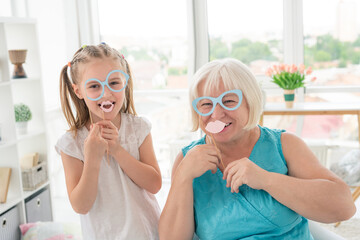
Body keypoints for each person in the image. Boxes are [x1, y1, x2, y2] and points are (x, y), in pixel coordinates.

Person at [158, 58, 356, 240]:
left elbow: (344, 207)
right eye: (206, 104)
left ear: (250, 103)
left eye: (228, 101)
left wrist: (266, 180)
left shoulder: (285, 144)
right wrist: (183, 176)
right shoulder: (186, 159)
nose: (216, 114)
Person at [56, 43, 162, 240]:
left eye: (114, 83)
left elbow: (154, 184)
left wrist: (117, 150)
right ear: (78, 91)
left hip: (148, 233)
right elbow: (81, 205)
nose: (106, 94)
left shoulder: (138, 129)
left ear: (125, 82)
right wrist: (92, 158)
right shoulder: (71, 144)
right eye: (94, 86)